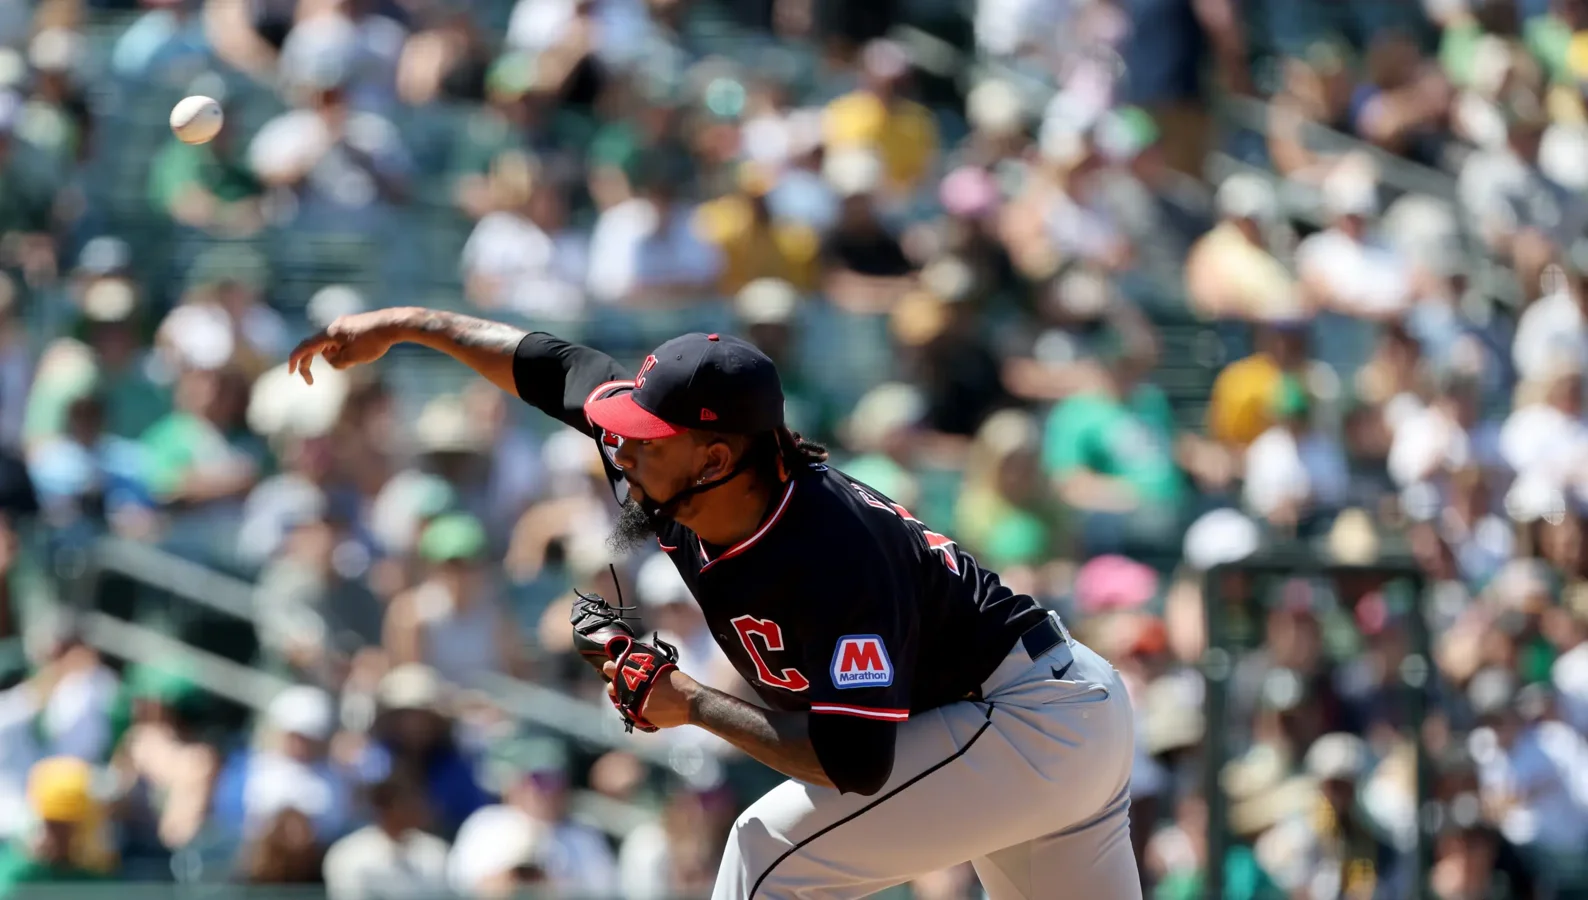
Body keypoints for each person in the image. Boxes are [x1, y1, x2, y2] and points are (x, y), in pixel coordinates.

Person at [288, 307, 1141, 898]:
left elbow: (854, 763)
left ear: (717, 456)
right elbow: (549, 367)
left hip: (1022, 718)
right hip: (1052, 714)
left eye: (648, 440)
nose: (621, 448)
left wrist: (690, 703)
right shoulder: (683, 476)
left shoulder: (831, 550)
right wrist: (406, 326)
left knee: (767, 860)